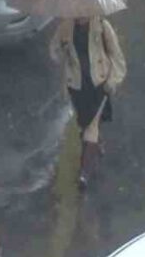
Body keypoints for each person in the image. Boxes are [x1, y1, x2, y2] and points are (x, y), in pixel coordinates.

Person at [50, 15, 126, 189]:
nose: (80, 13)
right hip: (77, 86)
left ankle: (85, 172)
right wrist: (61, 50)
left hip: (99, 85)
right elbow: (54, 51)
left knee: (90, 129)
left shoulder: (102, 26)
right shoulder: (66, 27)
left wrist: (112, 81)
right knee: (85, 125)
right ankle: (95, 146)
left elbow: (117, 56)